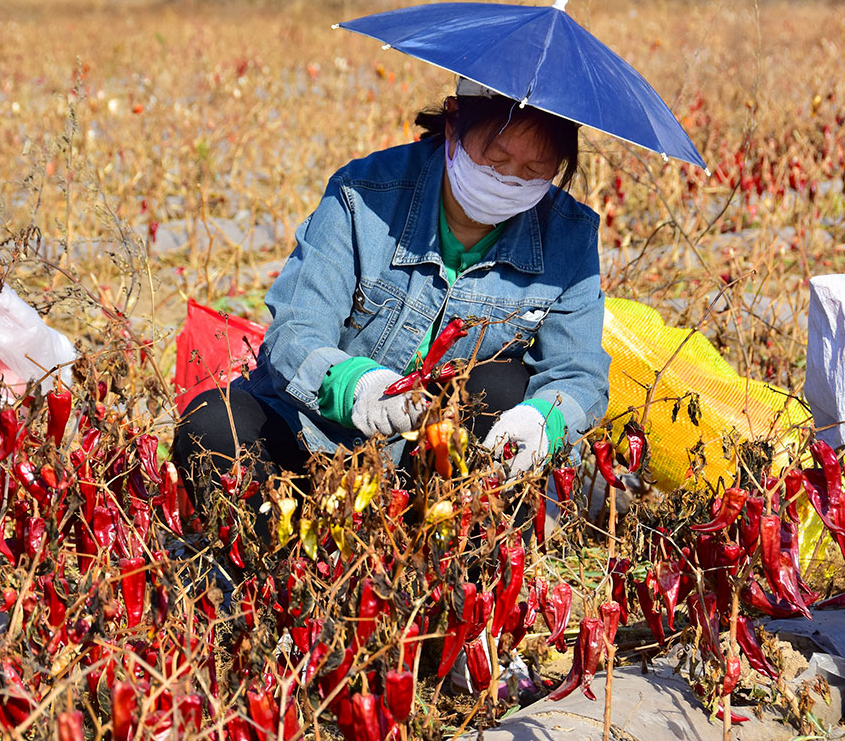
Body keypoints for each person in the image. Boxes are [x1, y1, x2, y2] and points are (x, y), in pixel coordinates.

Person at [173, 77, 610, 517]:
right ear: (453, 125)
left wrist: (542, 422)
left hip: (438, 461)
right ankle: (287, 568)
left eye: (535, 171)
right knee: (210, 425)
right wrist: (358, 387)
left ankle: (443, 559)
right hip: (314, 433)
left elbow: (579, 373)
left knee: (502, 386)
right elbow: (295, 331)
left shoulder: (568, 236)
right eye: (496, 160)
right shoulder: (363, 196)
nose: (510, 182)